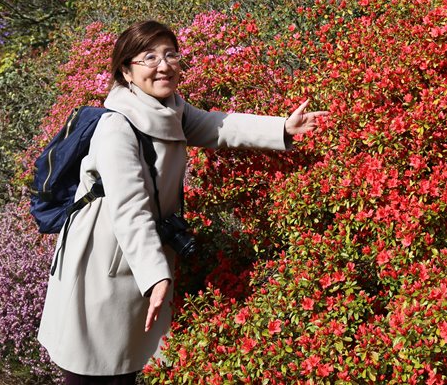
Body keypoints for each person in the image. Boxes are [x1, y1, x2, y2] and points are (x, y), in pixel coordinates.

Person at [38, 20, 326, 384]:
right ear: (126, 70)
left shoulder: (170, 108)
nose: (164, 65)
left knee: (125, 359)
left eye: (170, 54)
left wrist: (281, 128)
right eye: (149, 57)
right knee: (95, 361)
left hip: (139, 254)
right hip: (105, 253)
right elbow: (130, 210)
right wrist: (156, 274)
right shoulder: (118, 127)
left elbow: (218, 126)